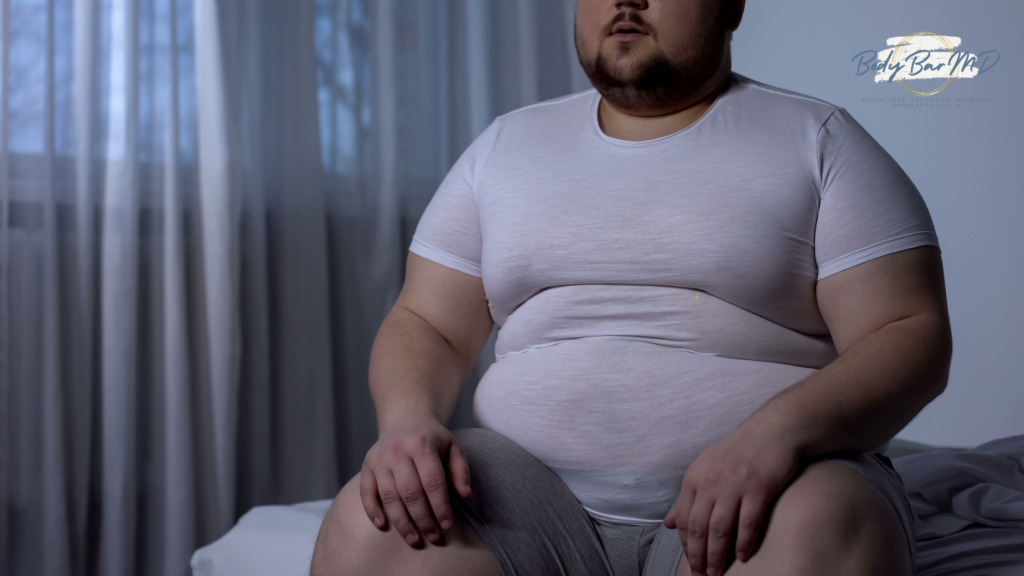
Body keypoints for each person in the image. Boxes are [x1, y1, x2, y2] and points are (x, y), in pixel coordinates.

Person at [310, 0, 953, 574]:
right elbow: (427, 321)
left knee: (821, 527)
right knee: (368, 527)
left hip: (770, 488)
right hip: (526, 507)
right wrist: (405, 422)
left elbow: (908, 334)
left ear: (732, 7)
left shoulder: (819, 141)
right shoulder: (505, 146)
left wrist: (772, 438)